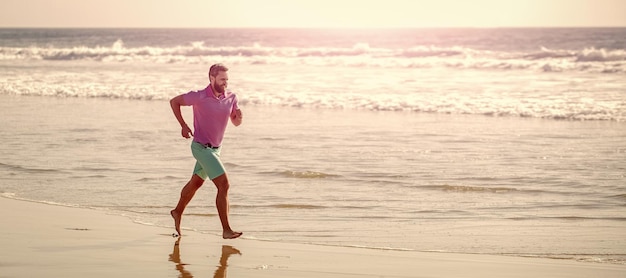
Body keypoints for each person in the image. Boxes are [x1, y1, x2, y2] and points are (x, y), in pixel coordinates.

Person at [169, 63, 243, 239]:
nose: (225, 82)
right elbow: (174, 102)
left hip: (216, 149)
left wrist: (239, 117)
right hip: (201, 148)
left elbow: (236, 122)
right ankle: (226, 230)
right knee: (224, 184)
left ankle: (177, 211)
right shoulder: (199, 96)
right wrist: (183, 125)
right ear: (212, 78)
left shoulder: (231, 97)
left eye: (227, 79)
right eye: (222, 79)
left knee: (196, 183)